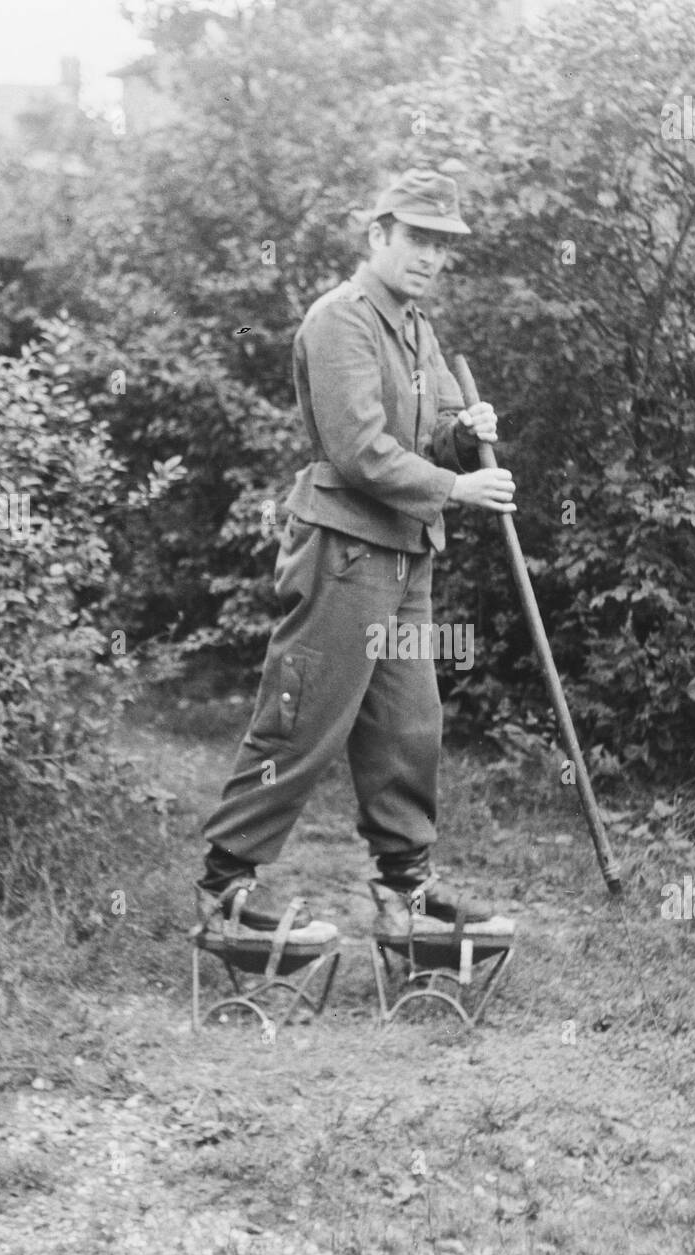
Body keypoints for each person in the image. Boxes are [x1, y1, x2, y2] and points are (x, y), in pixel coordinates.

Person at [197, 169, 517, 943]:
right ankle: (225, 891)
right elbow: (361, 451)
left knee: (410, 726)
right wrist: (459, 486)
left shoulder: (416, 327)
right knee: (304, 720)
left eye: (443, 245)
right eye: (418, 239)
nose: (432, 258)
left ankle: (406, 891)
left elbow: (429, 427)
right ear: (378, 236)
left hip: (406, 555)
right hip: (343, 551)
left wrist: (462, 425)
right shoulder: (340, 320)